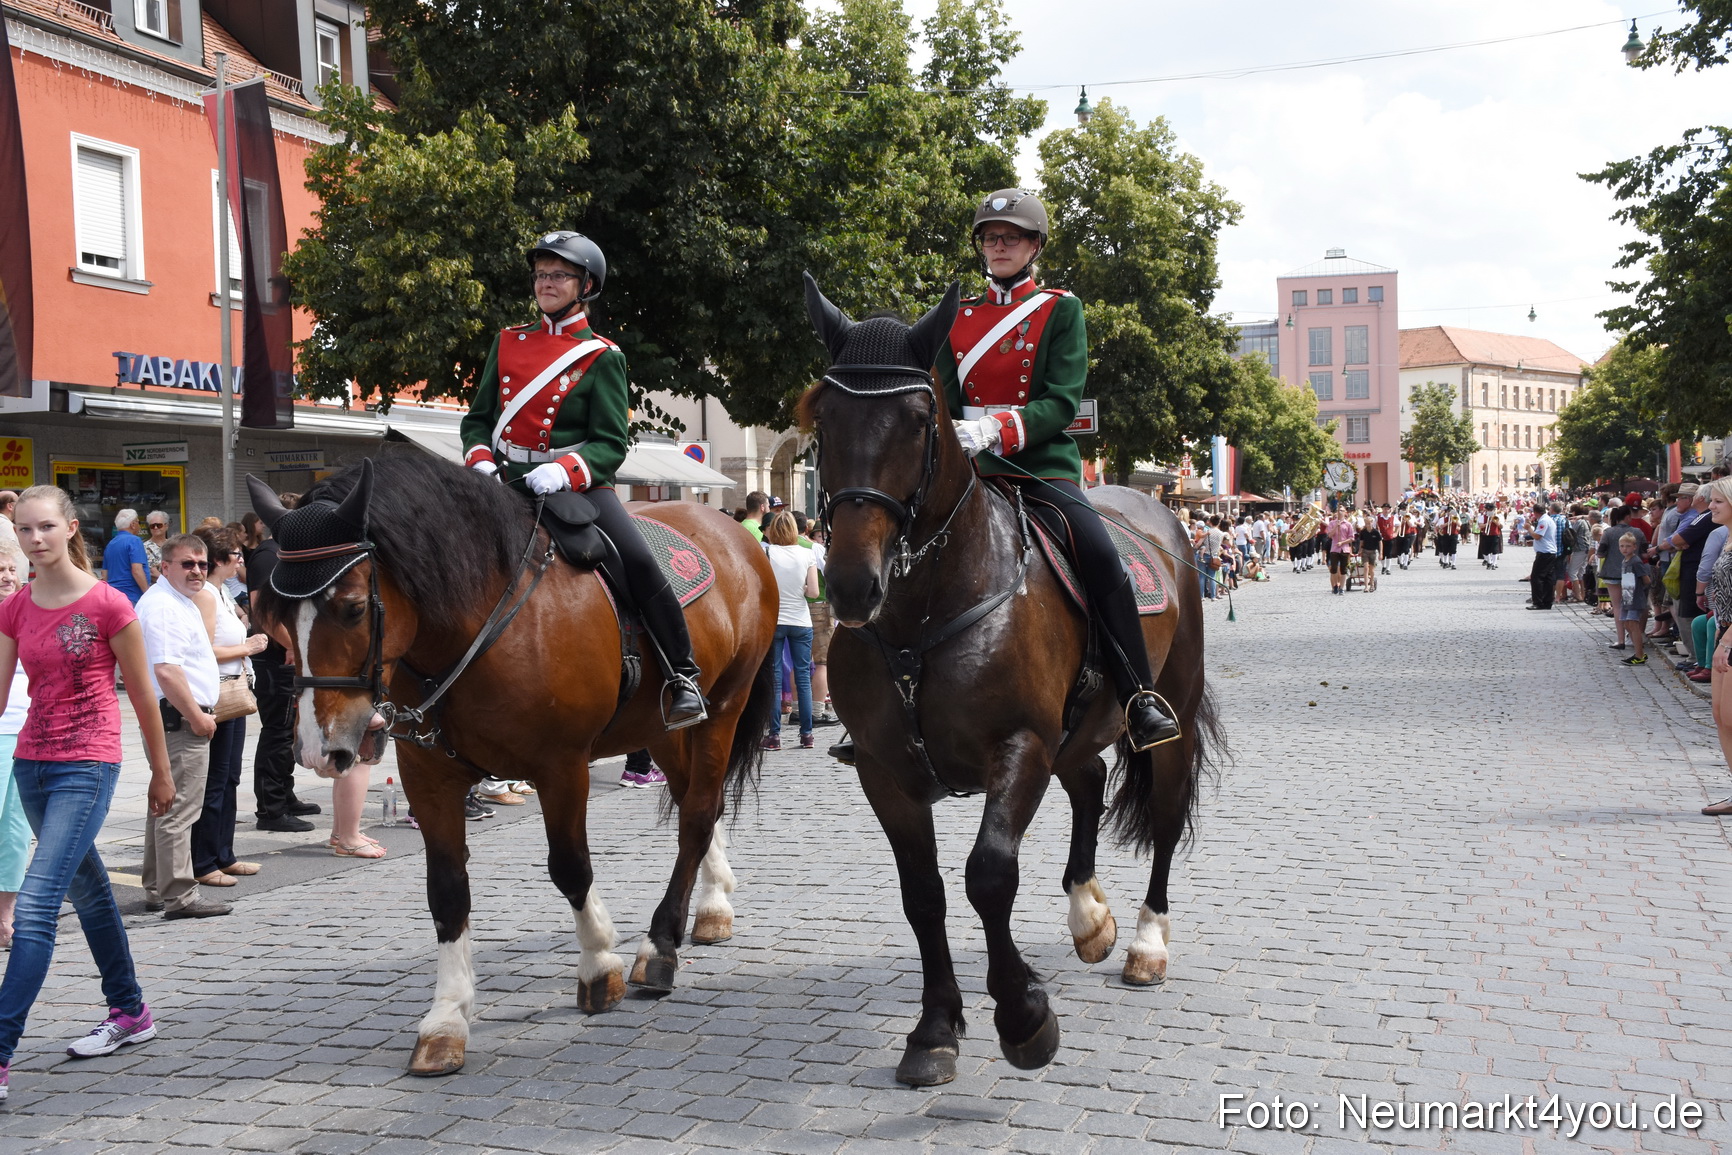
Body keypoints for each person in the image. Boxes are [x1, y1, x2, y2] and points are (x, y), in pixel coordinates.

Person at [932, 189, 1178, 749]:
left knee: (1097, 548)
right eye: (991, 237)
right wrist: (949, 435)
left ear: (1034, 245)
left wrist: (999, 428)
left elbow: (1063, 400)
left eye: (1011, 237)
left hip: (1038, 467)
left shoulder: (1059, 309)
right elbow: (941, 394)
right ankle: (872, 702)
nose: (999, 246)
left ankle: (1139, 696)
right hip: (967, 469)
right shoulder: (958, 316)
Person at [460, 230, 704, 729]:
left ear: (585, 284)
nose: (545, 284)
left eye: (558, 275)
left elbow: (611, 443)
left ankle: (683, 676)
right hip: (503, 482)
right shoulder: (507, 341)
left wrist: (564, 469)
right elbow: (477, 418)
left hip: (577, 487)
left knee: (638, 560)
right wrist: (482, 459)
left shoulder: (603, 356)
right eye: (540, 275)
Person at [0, 485, 176, 1101]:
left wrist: (161, 771)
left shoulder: (108, 605)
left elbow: (144, 696)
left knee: (39, 901)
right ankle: (131, 1012)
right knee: (92, 892)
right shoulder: (16, 607)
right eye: (24, 530)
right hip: (32, 764)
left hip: (88, 763)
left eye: (46, 527)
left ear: (71, 528)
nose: (35, 539)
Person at [137, 533, 230, 919]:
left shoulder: (179, 601)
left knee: (164, 804)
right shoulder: (164, 607)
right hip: (179, 721)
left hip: (176, 719)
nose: (197, 571)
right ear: (165, 567)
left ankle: (159, 887)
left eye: (202, 564)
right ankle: (180, 896)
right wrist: (196, 716)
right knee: (179, 810)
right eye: (187, 564)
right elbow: (167, 671)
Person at [188, 528, 267, 888]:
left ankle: (224, 853)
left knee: (230, 775)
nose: (241, 561)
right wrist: (246, 648)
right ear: (221, 559)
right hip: (216, 690)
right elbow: (204, 648)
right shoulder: (206, 594)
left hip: (232, 688)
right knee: (216, 779)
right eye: (236, 555)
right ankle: (204, 860)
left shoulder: (220, 591)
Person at [243, 497, 319, 834]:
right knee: (277, 731)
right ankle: (271, 809)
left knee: (288, 731)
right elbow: (263, 611)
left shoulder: (286, 554)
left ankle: (284, 795)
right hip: (274, 657)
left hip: (288, 655)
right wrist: (292, 646)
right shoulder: (267, 556)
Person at [761, 512, 819, 751]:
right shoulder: (807, 554)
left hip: (774, 620)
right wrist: (801, 587)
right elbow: (814, 593)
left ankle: (774, 735)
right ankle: (806, 734)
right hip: (801, 620)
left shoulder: (767, 553)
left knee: (774, 678)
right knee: (803, 677)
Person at [0, 545, 28, 948]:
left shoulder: (28, 613)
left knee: (16, 829)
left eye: (10, 568)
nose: (6, 574)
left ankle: (5, 915)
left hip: (27, 728)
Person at [1698, 478, 1732, 814]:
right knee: (1721, 716)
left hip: (1730, 637)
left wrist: (1727, 641)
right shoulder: (1725, 539)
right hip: (1723, 632)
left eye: (1718, 502)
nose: (1711, 506)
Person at [1614, 533, 1653, 665]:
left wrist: (1639, 591)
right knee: (1626, 623)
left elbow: (1646, 579)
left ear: (1634, 547)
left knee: (1633, 624)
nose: (1625, 549)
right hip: (1627, 597)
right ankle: (1638, 651)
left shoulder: (1636, 561)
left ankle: (1639, 654)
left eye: (1628, 546)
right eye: (1622, 546)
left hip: (1634, 597)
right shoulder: (1624, 561)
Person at [101, 510, 148, 606]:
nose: (139, 526)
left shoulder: (111, 544)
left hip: (113, 597)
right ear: (133, 524)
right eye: (138, 522)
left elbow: (104, 574)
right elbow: (137, 570)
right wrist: (147, 593)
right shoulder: (134, 540)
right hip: (132, 597)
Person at [1527, 502, 1559, 609]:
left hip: (1545, 553)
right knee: (1547, 578)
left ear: (1535, 512)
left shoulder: (1544, 521)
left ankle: (1538, 602)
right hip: (1548, 552)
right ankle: (1547, 601)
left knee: (1537, 577)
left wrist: (1529, 528)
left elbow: (1538, 536)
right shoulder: (1547, 519)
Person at [1326, 510, 1355, 594]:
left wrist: (1342, 542)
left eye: (1342, 511)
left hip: (1344, 549)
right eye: (1338, 511)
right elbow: (1330, 535)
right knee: (1333, 569)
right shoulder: (1332, 523)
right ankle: (1335, 585)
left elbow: (1351, 538)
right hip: (1334, 549)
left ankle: (1342, 588)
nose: (1340, 512)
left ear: (1345, 513)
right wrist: (1336, 526)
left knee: (1343, 569)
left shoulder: (1348, 524)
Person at [141, 512, 170, 583]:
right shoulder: (143, 547)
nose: (155, 528)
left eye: (159, 525)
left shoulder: (174, 545)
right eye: (152, 526)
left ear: (166, 526)